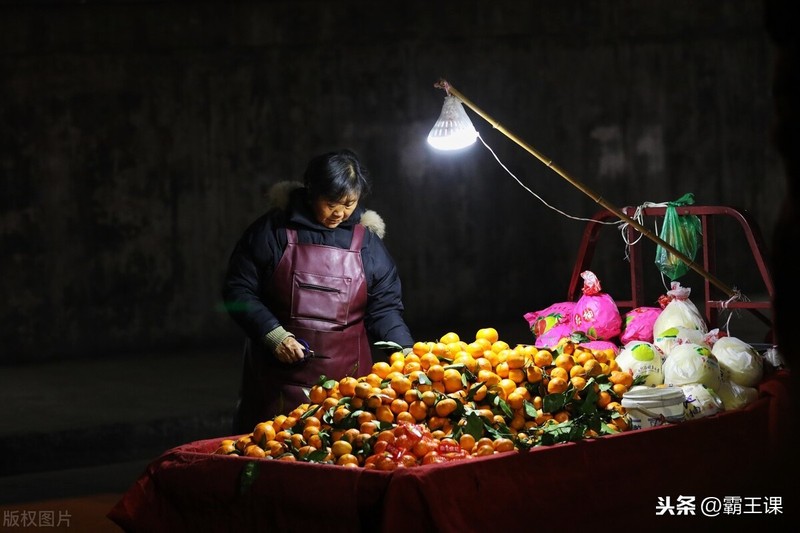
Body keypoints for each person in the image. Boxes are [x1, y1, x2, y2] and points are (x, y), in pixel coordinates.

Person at [222, 148, 415, 434]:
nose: (340, 212)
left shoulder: (368, 244)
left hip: (348, 393)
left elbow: (385, 308)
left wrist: (407, 352)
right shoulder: (272, 232)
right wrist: (274, 335)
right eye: (332, 202)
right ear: (312, 191)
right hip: (275, 387)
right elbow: (238, 290)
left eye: (349, 203)